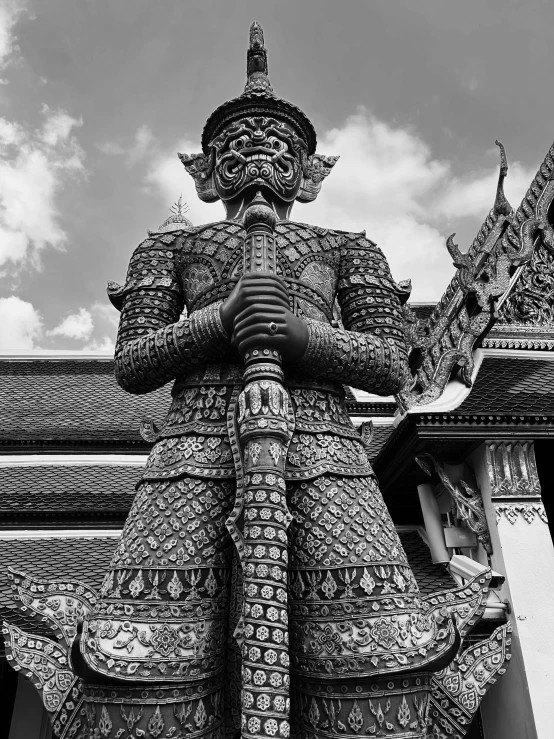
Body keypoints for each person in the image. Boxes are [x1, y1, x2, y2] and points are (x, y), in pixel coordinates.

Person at [75, 23, 457, 739]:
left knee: (376, 663)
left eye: (278, 142)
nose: (257, 150)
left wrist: (302, 335)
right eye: (238, 141)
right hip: (191, 448)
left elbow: (391, 362)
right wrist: (218, 320)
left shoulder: (346, 249)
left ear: (308, 172)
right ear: (208, 168)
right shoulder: (170, 246)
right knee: (144, 670)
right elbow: (133, 362)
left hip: (325, 448)